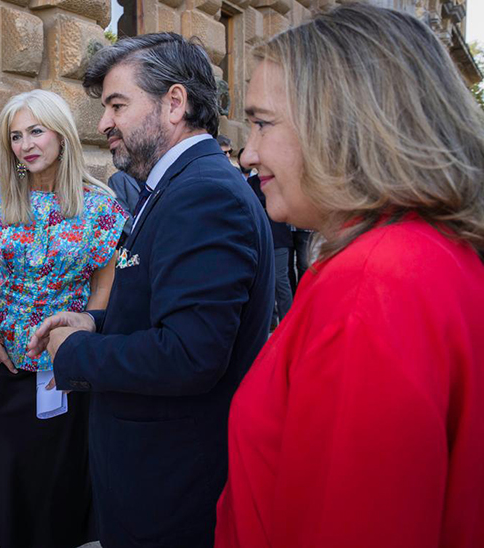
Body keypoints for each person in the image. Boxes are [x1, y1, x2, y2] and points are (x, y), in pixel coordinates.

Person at [216, 5, 484, 547]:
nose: (248, 153)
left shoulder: (373, 286)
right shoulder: (424, 253)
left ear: (343, 121)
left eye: (263, 122)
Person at [27, 33, 274, 547]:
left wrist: (78, 351)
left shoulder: (201, 191)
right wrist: (95, 320)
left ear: (175, 103)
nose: (103, 124)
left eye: (118, 104)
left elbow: (190, 353)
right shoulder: (175, 184)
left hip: (172, 489)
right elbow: (164, 306)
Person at [0, 89, 126, 548]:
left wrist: (87, 336)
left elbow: (105, 282)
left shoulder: (99, 206)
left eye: (36, 131)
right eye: (16, 136)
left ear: (61, 134)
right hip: (10, 366)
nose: (25, 145)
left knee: (58, 490)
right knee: (3, 488)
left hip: (67, 371)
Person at [240, 147, 292, 330]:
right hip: (260, 240)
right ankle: (270, 321)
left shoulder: (280, 182)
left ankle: (287, 322)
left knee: (280, 282)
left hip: (279, 240)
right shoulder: (252, 183)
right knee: (265, 282)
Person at [107, 170, 141, 246]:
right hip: (131, 241)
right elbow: (121, 213)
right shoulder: (119, 179)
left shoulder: (159, 176)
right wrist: (141, 234)